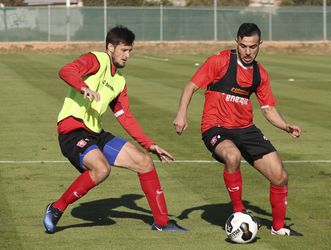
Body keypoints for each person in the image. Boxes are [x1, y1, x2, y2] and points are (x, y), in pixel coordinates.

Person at [43, 25, 187, 233]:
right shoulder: (97, 59)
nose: (127, 56)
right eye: (124, 50)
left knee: (144, 161)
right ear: (110, 47)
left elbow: (125, 116)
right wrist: (83, 87)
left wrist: (150, 144)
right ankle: (56, 208)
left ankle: (162, 222)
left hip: (95, 133)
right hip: (72, 130)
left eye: (130, 51)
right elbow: (66, 70)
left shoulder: (119, 81)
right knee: (101, 169)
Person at [173, 23, 302, 236]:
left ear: (260, 44)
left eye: (252, 46)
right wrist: (181, 114)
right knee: (232, 156)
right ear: (237, 42)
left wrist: (285, 126)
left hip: (245, 128)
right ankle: (238, 213)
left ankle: (278, 228)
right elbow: (191, 87)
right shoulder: (220, 61)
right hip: (216, 127)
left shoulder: (260, 74)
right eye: (243, 46)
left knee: (280, 176)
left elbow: (268, 109)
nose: (248, 51)